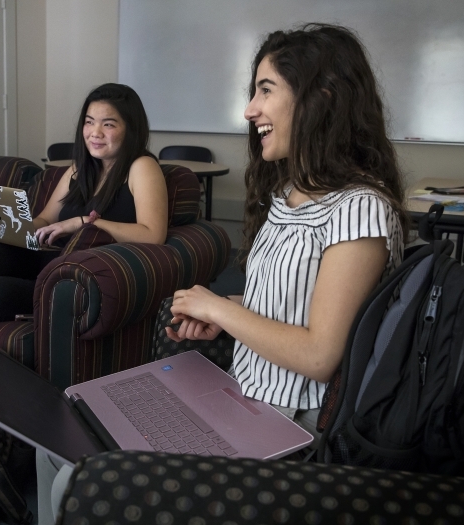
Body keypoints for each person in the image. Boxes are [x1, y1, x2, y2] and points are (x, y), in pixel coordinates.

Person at [168, 23, 406, 443]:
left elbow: (319, 355)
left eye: (266, 90)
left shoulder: (360, 208)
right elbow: (294, 302)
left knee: (82, 476)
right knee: (79, 447)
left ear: (320, 100)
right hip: (244, 395)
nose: (249, 110)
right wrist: (222, 314)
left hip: (293, 423)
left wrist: (221, 310)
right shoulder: (289, 192)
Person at [0, 83, 169, 323]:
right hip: (48, 256)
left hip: (78, 275)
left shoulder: (141, 166)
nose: (95, 132)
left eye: (108, 124)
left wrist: (83, 223)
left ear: (130, 128)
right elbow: (46, 219)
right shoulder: (79, 168)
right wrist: (11, 224)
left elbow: (153, 234)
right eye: (89, 122)